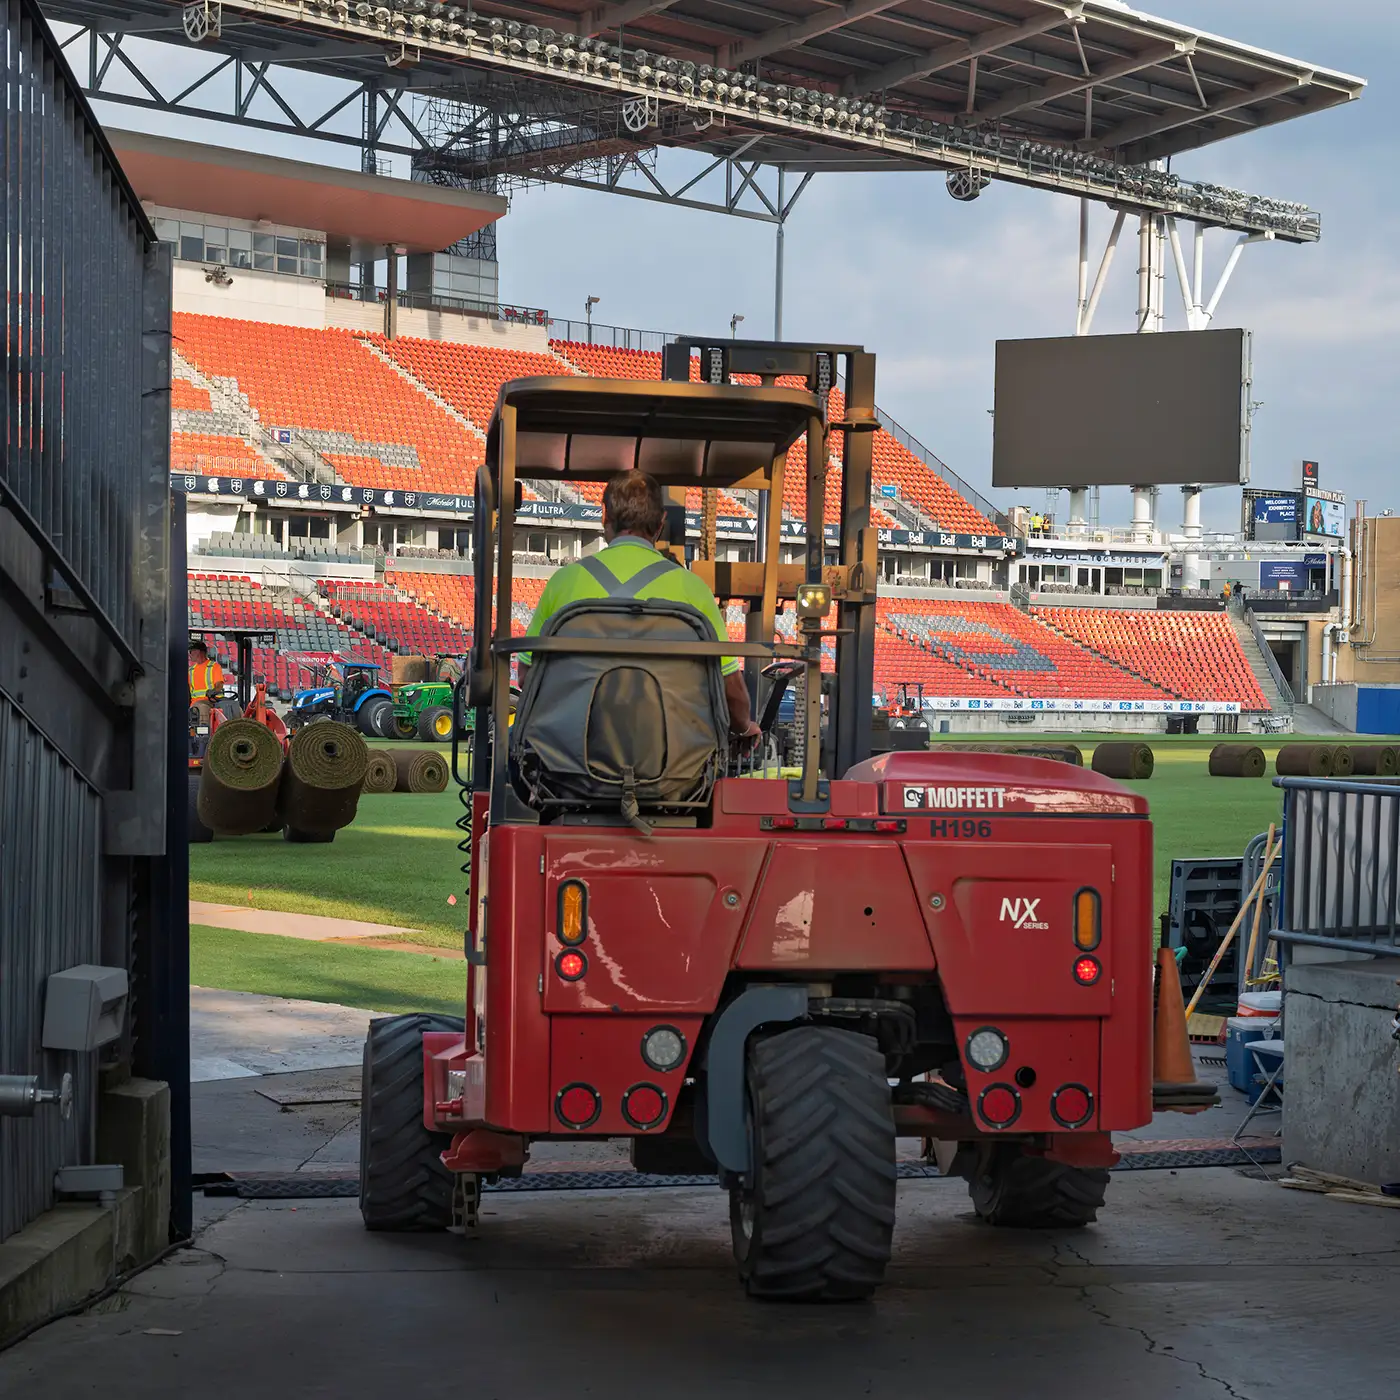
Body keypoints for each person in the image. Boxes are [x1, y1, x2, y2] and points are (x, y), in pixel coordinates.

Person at [518, 471, 760, 741]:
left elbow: (527, 677)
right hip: (674, 755)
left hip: (574, 751)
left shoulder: (563, 583)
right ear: (661, 522)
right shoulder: (694, 591)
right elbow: (730, 688)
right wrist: (743, 727)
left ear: (604, 515)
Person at [188, 639, 225, 727]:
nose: (189, 654)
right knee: (202, 708)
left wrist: (213, 691)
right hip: (198, 703)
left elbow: (219, 685)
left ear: (198, 652)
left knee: (234, 707)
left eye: (191, 651)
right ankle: (203, 732)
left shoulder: (213, 667)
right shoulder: (191, 671)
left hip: (215, 701)